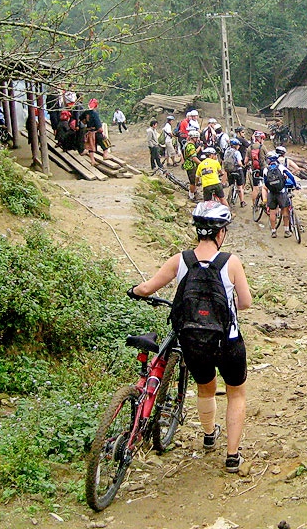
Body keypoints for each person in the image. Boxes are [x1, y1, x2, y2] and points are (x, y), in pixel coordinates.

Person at [129, 201, 252, 473]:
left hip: (192, 341)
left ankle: (209, 436)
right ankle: (232, 457)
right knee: (236, 394)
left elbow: (148, 287)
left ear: (198, 231)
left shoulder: (180, 260)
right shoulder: (230, 262)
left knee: (206, 388)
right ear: (221, 233)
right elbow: (245, 302)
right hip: (228, 341)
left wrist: (135, 291)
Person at [263, 152, 296, 238]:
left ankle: (273, 231)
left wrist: (270, 189)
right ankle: (286, 231)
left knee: (272, 212)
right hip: (281, 192)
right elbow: (291, 176)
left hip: (271, 193)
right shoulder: (281, 167)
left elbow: (265, 182)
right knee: (285, 211)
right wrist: (295, 185)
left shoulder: (266, 170)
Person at [246, 133, 269, 207]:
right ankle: (266, 204)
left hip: (255, 169)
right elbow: (268, 157)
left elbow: (245, 161)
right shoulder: (262, 147)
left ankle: (254, 205)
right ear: (261, 139)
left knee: (255, 188)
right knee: (265, 186)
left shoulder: (250, 147)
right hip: (263, 169)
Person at [223, 139, 247, 208]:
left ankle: (231, 194)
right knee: (240, 186)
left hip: (229, 170)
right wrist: (242, 166)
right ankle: (242, 201)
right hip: (237, 170)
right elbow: (239, 163)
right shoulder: (237, 152)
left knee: (231, 183)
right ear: (235, 146)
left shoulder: (227, 151)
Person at [182, 130, 203, 201]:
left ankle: (194, 192)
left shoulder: (189, 144)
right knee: (193, 182)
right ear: (193, 138)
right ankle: (191, 196)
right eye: (196, 138)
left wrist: (199, 147)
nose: (197, 139)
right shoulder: (190, 146)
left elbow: (194, 152)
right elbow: (194, 157)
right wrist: (201, 164)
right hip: (191, 166)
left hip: (189, 164)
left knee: (194, 181)